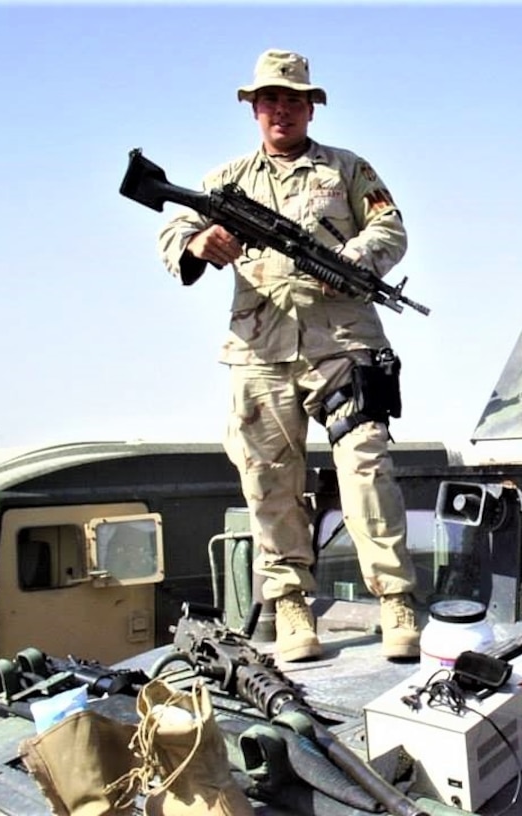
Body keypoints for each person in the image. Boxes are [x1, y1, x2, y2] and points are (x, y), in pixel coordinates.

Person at [157, 48, 419, 663]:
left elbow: (390, 229)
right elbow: (172, 232)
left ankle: (396, 598)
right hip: (259, 349)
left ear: (310, 107)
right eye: (271, 99)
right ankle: (292, 604)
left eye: (294, 100)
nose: (282, 110)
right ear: (254, 108)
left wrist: (352, 262)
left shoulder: (348, 169)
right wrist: (201, 241)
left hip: (346, 344)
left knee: (367, 470)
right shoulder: (228, 180)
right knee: (268, 481)